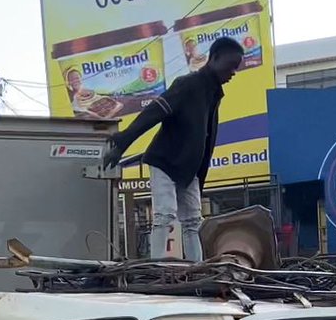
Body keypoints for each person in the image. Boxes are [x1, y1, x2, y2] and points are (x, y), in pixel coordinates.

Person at [102, 36, 245, 262]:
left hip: (189, 169)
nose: (233, 73)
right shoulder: (188, 85)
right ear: (215, 58)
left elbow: (206, 143)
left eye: (236, 68)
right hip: (165, 161)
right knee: (165, 215)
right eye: (231, 66)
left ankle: (198, 268)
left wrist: (200, 179)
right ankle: (156, 268)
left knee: (193, 222)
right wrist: (122, 142)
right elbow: (154, 113)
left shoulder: (214, 94)